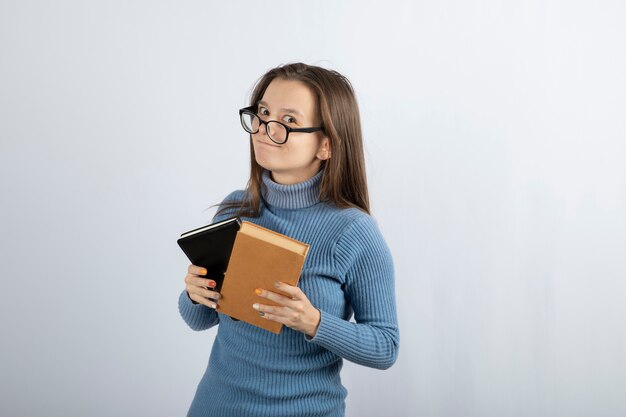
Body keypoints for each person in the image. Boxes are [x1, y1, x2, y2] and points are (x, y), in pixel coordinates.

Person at [178, 62, 399, 417]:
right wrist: (195, 294)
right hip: (214, 406)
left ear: (326, 145)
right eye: (263, 113)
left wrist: (312, 321)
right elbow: (198, 320)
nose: (266, 129)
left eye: (289, 121)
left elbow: (386, 346)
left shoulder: (353, 231)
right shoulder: (235, 209)